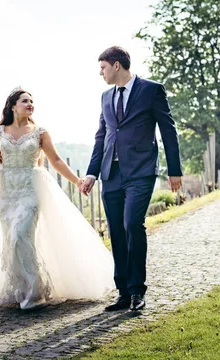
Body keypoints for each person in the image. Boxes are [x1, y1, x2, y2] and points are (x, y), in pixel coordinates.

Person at [0, 87, 114, 310]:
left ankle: (35, 292)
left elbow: (56, 161)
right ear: (12, 106)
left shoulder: (40, 132)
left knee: (20, 235)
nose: (30, 104)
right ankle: (20, 289)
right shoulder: (0, 132)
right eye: (24, 101)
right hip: (7, 192)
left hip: (31, 189)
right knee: (11, 241)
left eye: (31, 101)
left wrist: (76, 180)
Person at [81, 46, 183, 312]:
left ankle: (138, 291)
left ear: (116, 65)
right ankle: (123, 292)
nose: (100, 73)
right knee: (116, 231)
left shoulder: (151, 90)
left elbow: (168, 130)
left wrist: (175, 169)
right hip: (111, 175)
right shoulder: (105, 97)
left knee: (132, 224)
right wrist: (92, 173)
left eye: (102, 67)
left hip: (140, 171)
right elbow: (101, 137)